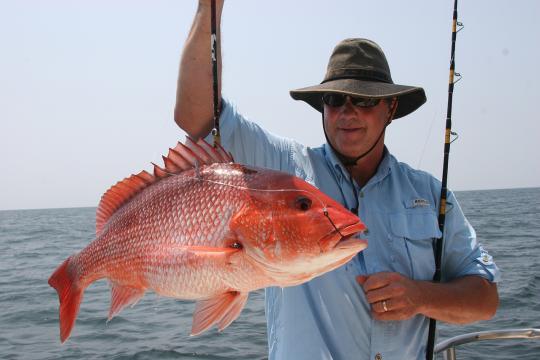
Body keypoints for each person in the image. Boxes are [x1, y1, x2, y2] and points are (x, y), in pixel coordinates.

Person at [174, 1, 500, 359]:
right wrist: (211, 7)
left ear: (390, 108)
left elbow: (484, 299)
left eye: (364, 100)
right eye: (335, 99)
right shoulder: (283, 172)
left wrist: (421, 296)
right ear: (323, 107)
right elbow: (197, 114)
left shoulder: (428, 193)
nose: (348, 112)